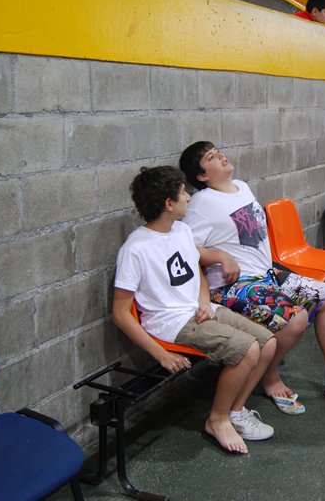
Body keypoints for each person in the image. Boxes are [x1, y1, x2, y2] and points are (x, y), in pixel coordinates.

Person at [179, 141, 325, 416]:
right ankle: (270, 375)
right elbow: (185, 248)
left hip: (266, 275)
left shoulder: (241, 187)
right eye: (211, 157)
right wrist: (219, 256)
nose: (221, 156)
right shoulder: (202, 203)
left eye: (218, 151)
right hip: (233, 285)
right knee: (294, 319)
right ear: (202, 176)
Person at [111, 166, 278, 454]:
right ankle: (217, 419)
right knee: (247, 349)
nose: (188, 197)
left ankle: (236, 411)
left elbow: (196, 272)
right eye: (182, 193)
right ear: (169, 203)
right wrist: (161, 354)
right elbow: (120, 313)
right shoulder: (135, 249)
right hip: (171, 323)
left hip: (200, 309)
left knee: (268, 342)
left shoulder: (182, 230)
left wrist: (203, 300)